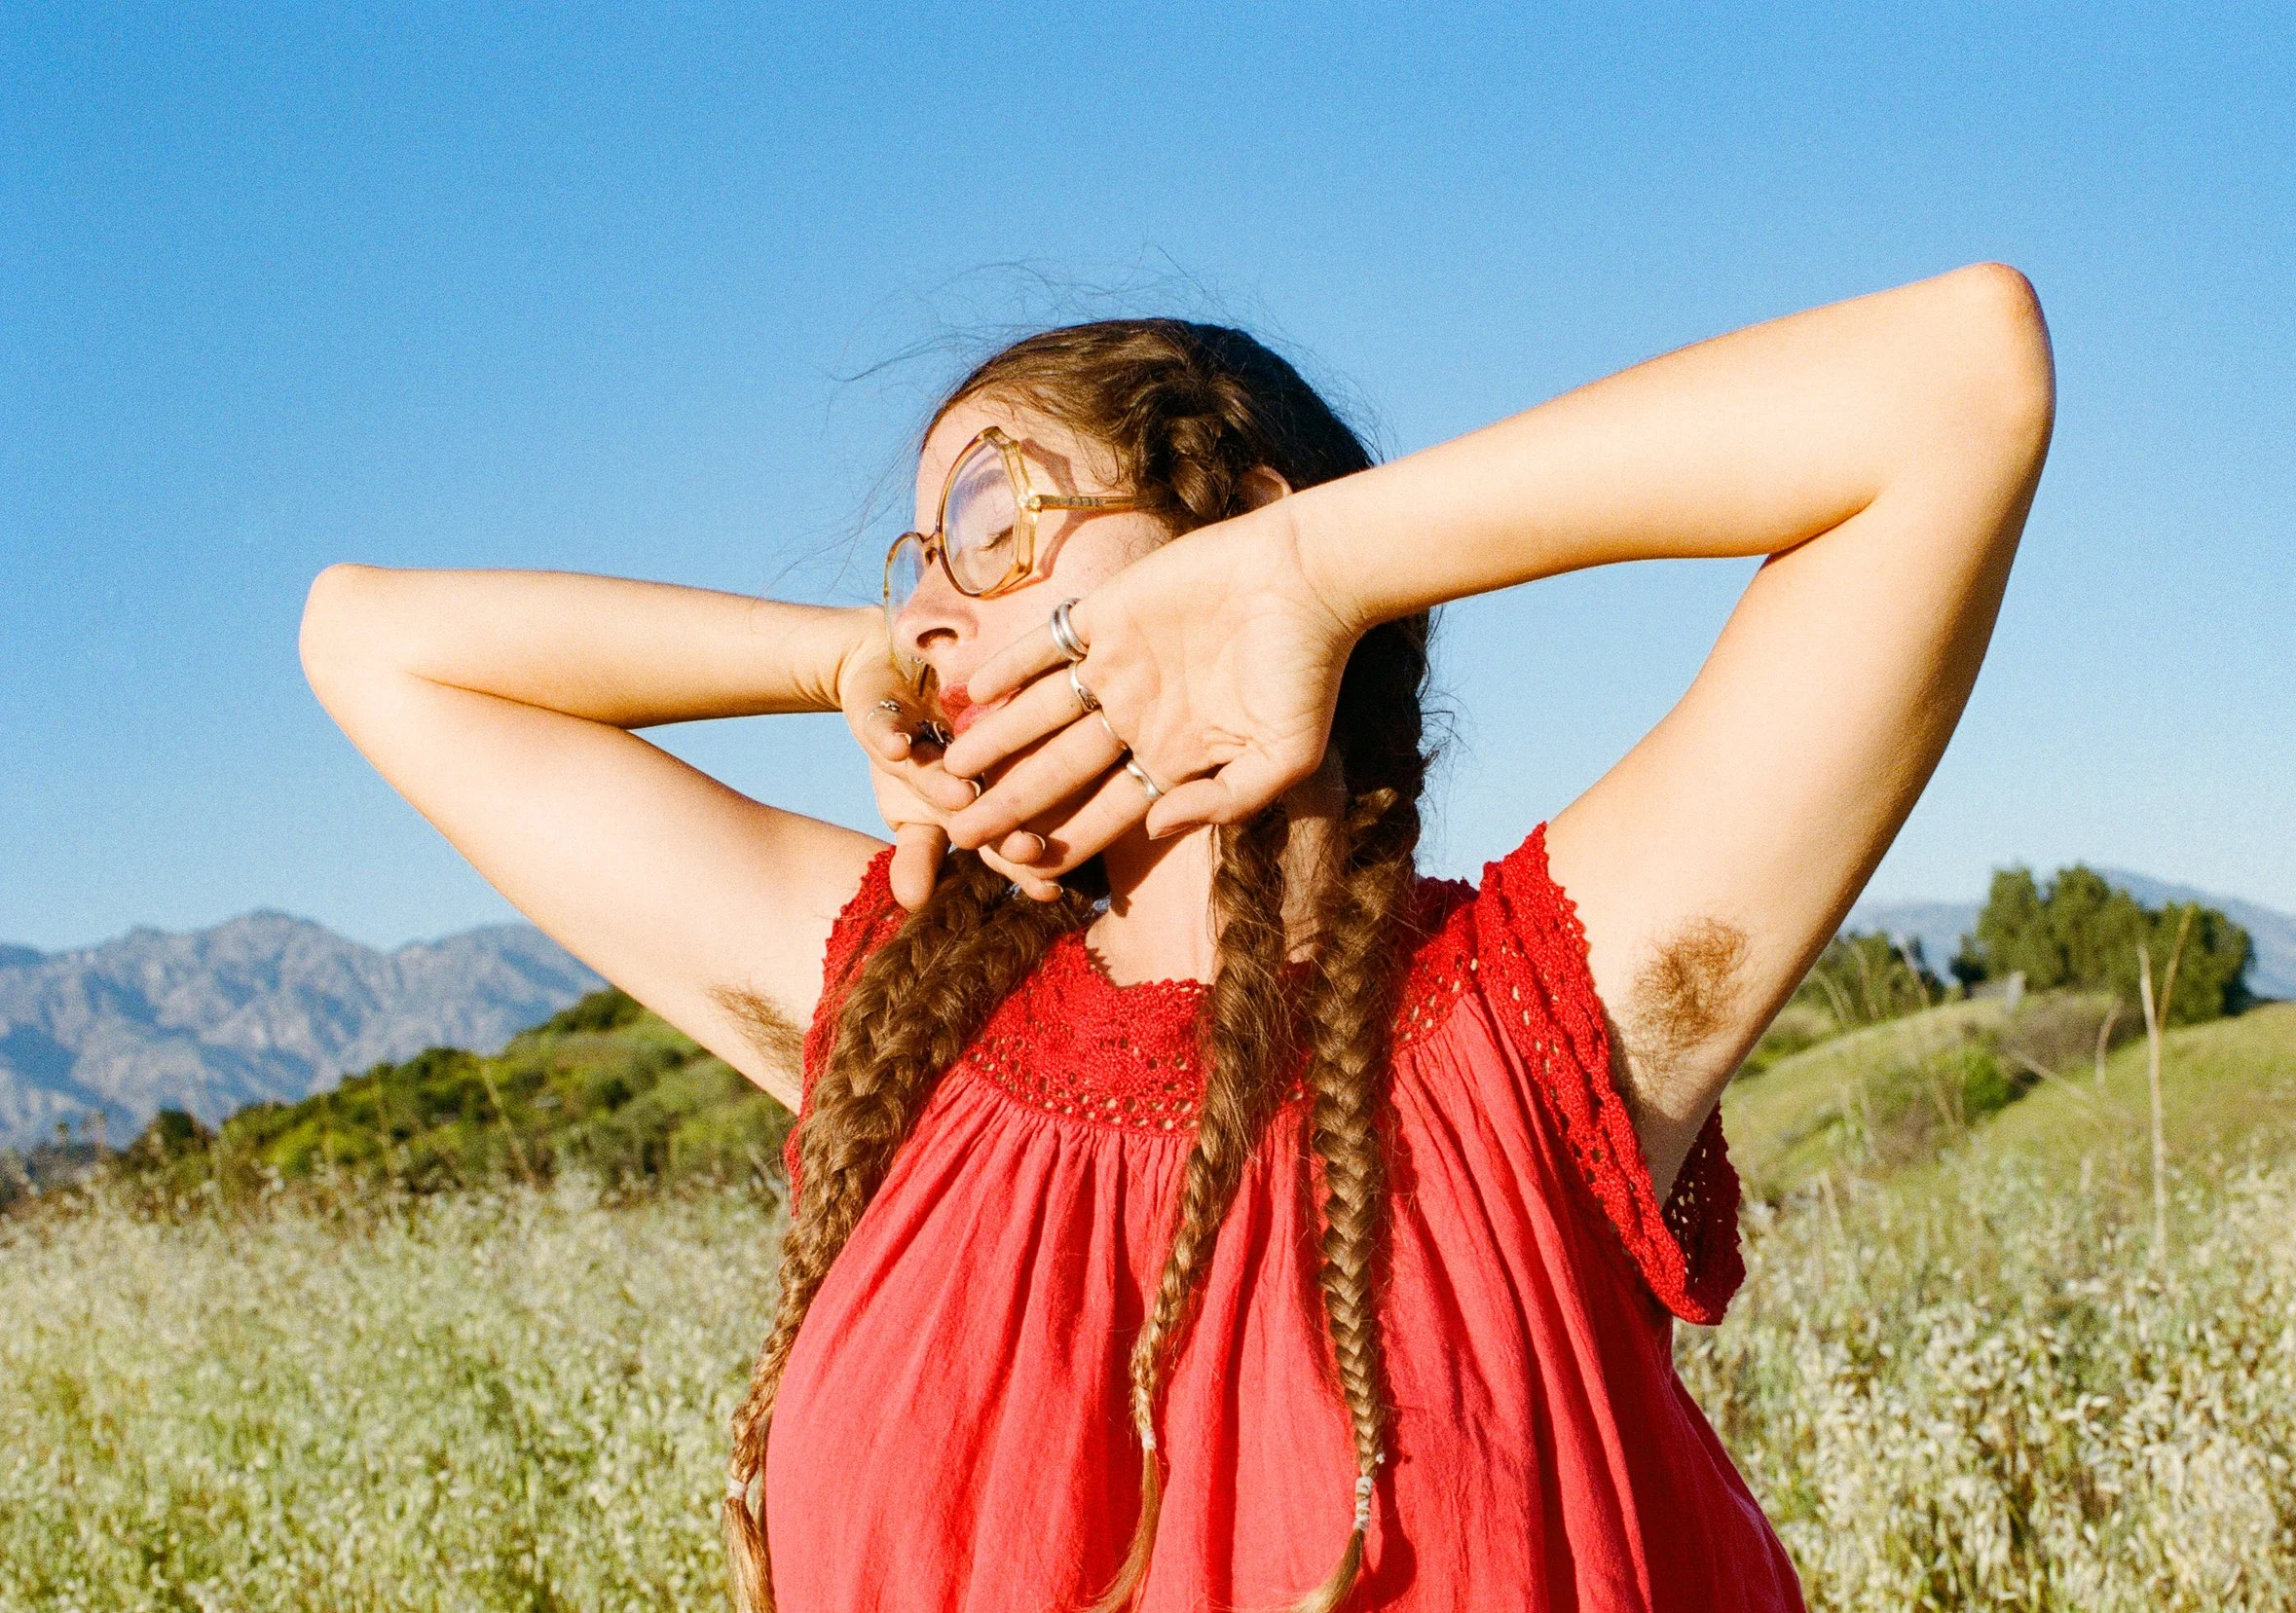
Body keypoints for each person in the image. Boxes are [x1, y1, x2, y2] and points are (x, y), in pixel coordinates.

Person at [297, 262, 2055, 1612]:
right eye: (914, 564)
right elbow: (373, 645)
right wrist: (829, 657)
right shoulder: (910, 1029)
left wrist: (1321, 570)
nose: (932, 612)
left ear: (1239, 526)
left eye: (998, 523)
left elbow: (1957, 381)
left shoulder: (1529, 1020)